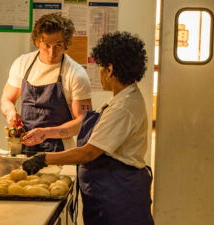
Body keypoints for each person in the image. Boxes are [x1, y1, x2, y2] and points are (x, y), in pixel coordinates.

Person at [23, 31, 154, 225]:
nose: (99, 73)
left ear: (109, 70)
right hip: (109, 193)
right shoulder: (122, 98)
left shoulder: (123, 107)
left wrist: (44, 159)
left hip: (118, 198)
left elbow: (89, 153)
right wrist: (46, 133)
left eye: (100, 68)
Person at [0, 13, 92, 155]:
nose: (52, 52)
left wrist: (46, 133)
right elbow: (7, 100)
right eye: (47, 45)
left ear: (66, 43)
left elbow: (83, 121)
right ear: (37, 41)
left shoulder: (76, 74)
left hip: (60, 151)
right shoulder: (22, 64)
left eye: (58, 45)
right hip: (24, 146)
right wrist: (10, 113)